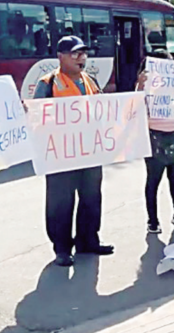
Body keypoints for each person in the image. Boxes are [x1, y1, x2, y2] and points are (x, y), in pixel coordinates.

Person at [34, 36, 114, 266]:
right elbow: (37, 118)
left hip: (90, 152)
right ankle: (61, 248)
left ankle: (88, 241)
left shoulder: (90, 80)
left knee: (91, 198)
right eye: (75, 54)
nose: (81, 59)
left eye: (83, 54)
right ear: (61, 57)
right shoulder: (48, 83)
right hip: (61, 155)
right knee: (60, 202)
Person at [137, 50, 174, 234]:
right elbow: (135, 106)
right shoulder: (145, 85)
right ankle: (152, 220)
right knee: (153, 181)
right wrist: (140, 85)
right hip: (154, 137)